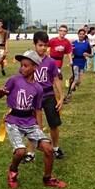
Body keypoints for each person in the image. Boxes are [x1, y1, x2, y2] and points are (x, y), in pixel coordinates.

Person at [0, 50, 67, 189]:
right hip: (13, 122)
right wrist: (0, 92)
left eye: (25, 65)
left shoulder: (38, 88)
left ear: (35, 67)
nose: (22, 68)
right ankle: (13, 171)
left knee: (48, 149)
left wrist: (39, 128)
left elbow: (37, 110)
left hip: (29, 122)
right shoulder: (14, 80)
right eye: (21, 65)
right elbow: (1, 94)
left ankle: (48, 179)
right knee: (20, 152)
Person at [24, 31, 65, 162]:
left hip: (48, 95)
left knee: (54, 124)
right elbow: (23, 78)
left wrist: (61, 97)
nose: (43, 48)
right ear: (34, 44)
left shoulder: (51, 62)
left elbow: (55, 79)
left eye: (45, 45)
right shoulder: (29, 61)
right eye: (40, 45)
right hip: (34, 97)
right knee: (34, 126)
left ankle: (55, 147)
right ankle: (30, 152)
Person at [66, 28, 92, 102]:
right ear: (78, 34)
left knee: (79, 81)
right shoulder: (74, 43)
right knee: (76, 78)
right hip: (75, 61)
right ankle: (69, 95)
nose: (81, 35)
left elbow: (91, 54)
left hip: (83, 62)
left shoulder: (87, 44)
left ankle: (71, 81)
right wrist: (71, 60)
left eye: (83, 34)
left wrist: (87, 54)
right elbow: (70, 53)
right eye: (80, 34)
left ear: (84, 35)